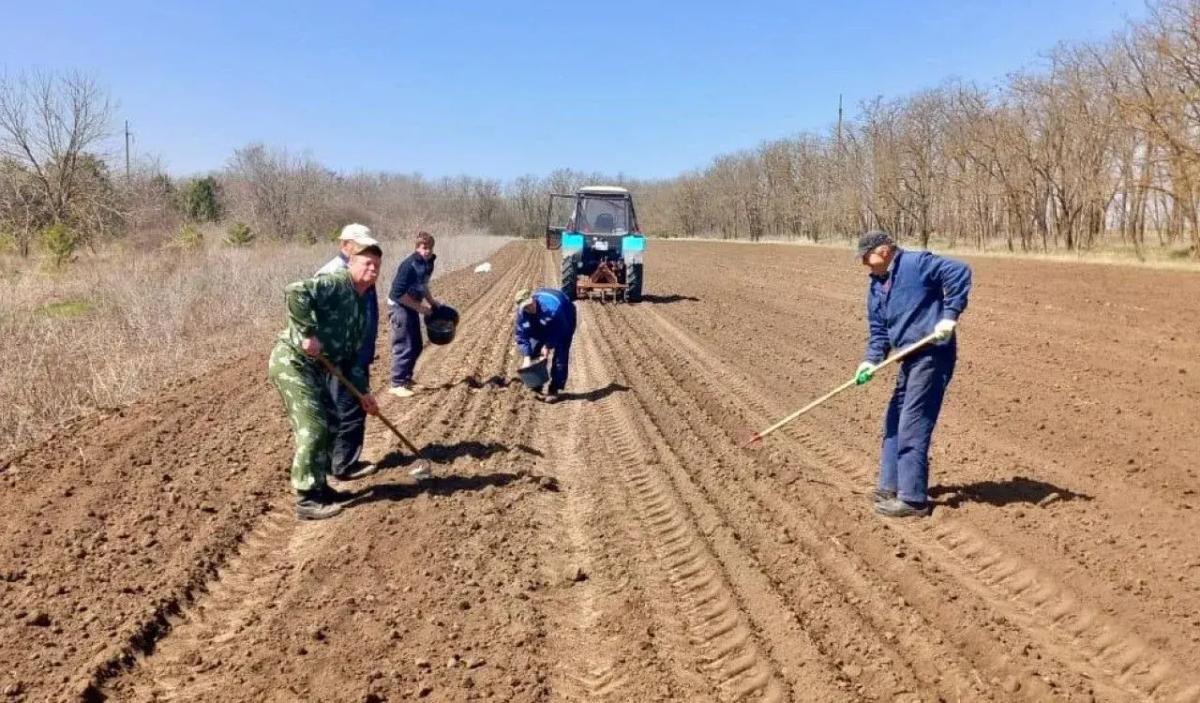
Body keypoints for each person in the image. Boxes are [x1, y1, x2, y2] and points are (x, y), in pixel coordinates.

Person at [853, 230, 972, 518]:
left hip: (932, 353)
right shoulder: (876, 287)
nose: (864, 264)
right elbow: (879, 331)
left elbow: (960, 272)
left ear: (883, 251)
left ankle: (913, 499)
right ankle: (889, 485)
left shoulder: (916, 263)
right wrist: (870, 361)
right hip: (908, 357)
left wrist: (949, 315)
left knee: (912, 422)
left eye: (866, 257)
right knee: (893, 419)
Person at [268, 240, 383, 520]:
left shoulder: (360, 308)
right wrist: (307, 333)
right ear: (351, 263)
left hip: (317, 368)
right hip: (293, 362)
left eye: (377, 265)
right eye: (366, 263)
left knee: (332, 421)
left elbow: (352, 359)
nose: (373, 269)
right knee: (314, 426)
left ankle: (320, 487)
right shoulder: (336, 283)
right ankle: (306, 499)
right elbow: (295, 291)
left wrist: (363, 394)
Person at [315, 223, 381, 482]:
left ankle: (340, 460)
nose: (366, 251)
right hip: (339, 356)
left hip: (356, 351)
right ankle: (342, 464)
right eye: (359, 244)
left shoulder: (363, 268)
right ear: (345, 245)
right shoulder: (333, 274)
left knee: (355, 405)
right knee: (347, 407)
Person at [387, 231, 439, 398]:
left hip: (411, 306)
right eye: (424, 248)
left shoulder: (428, 263)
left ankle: (406, 379)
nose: (427, 251)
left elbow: (423, 285)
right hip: (399, 306)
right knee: (405, 345)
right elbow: (397, 294)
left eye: (430, 248)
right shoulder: (408, 265)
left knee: (416, 344)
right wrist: (420, 308)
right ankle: (396, 383)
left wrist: (431, 302)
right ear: (417, 248)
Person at [514, 287, 577, 402]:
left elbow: (561, 331)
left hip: (565, 316)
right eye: (526, 307)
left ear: (533, 299)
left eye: (530, 304)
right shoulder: (522, 315)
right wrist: (526, 358)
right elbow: (522, 336)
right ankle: (536, 384)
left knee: (561, 353)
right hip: (542, 322)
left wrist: (548, 345)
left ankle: (554, 388)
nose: (530, 308)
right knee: (532, 350)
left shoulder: (553, 309)